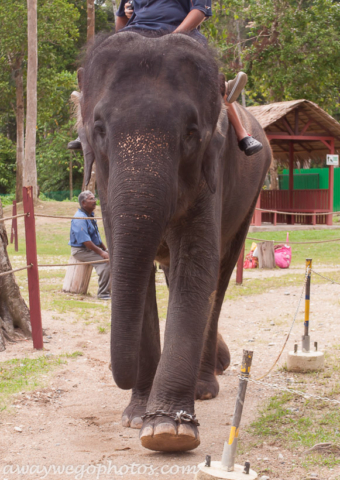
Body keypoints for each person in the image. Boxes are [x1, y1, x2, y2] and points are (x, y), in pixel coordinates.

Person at [68, 0, 263, 156]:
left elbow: (199, 11)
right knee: (100, 57)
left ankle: (240, 132)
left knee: (211, 79)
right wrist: (128, 17)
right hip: (137, 36)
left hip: (179, 35)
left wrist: (172, 38)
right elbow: (120, 22)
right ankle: (86, 127)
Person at [69, 191, 111, 300]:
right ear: (83, 203)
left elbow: (96, 237)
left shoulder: (90, 215)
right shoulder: (80, 218)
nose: (95, 201)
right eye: (91, 199)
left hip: (90, 249)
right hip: (81, 250)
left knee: (113, 257)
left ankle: (112, 291)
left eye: (94, 198)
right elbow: (85, 241)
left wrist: (106, 249)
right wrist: (102, 253)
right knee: (106, 264)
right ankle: (103, 293)